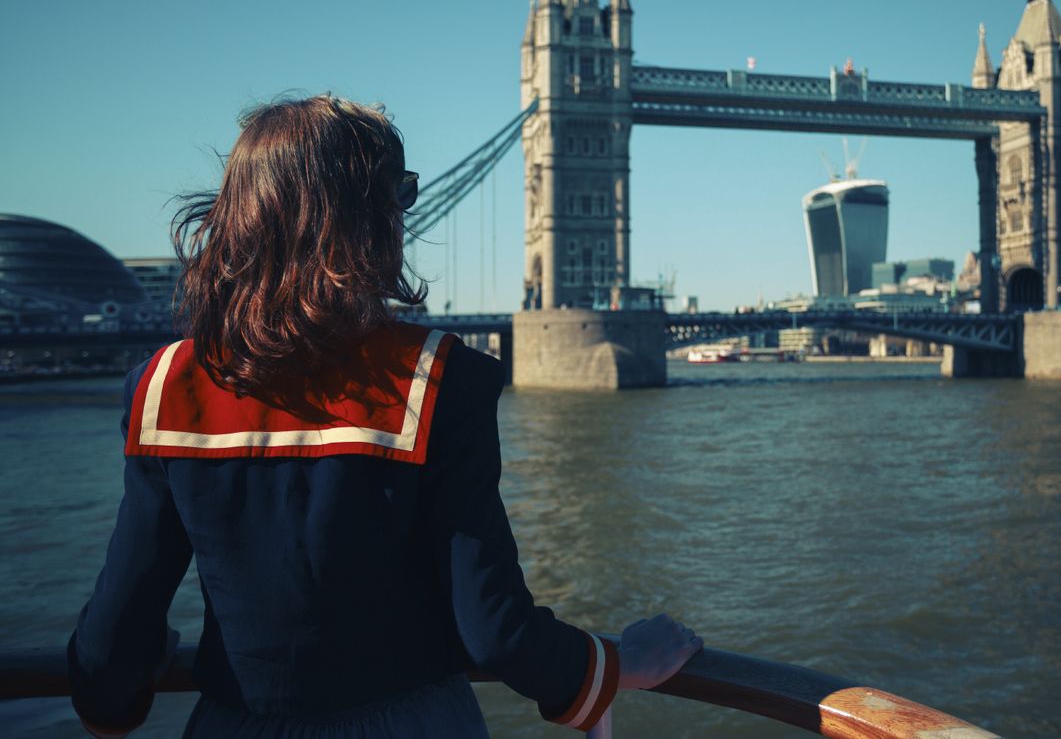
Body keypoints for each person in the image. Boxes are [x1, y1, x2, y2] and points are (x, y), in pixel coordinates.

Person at [67, 95, 701, 737]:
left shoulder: (163, 386)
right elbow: (494, 630)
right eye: (403, 195)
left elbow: (111, 641)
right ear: (371, 219)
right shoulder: (438, 379)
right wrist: (616, 664)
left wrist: (113, 701)